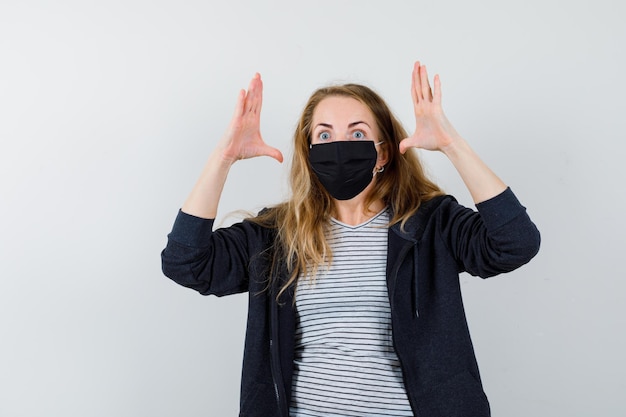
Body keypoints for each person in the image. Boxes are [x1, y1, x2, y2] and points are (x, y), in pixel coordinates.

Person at [161, 61, 540, 417]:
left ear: (383, 154)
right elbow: (186, 263)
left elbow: (515, 242)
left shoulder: (431, 224)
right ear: (310, 155)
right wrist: (223, 157)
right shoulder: (277, 235)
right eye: (324, 135)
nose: (339, 146)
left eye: (357, 133)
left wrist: (453, 145)